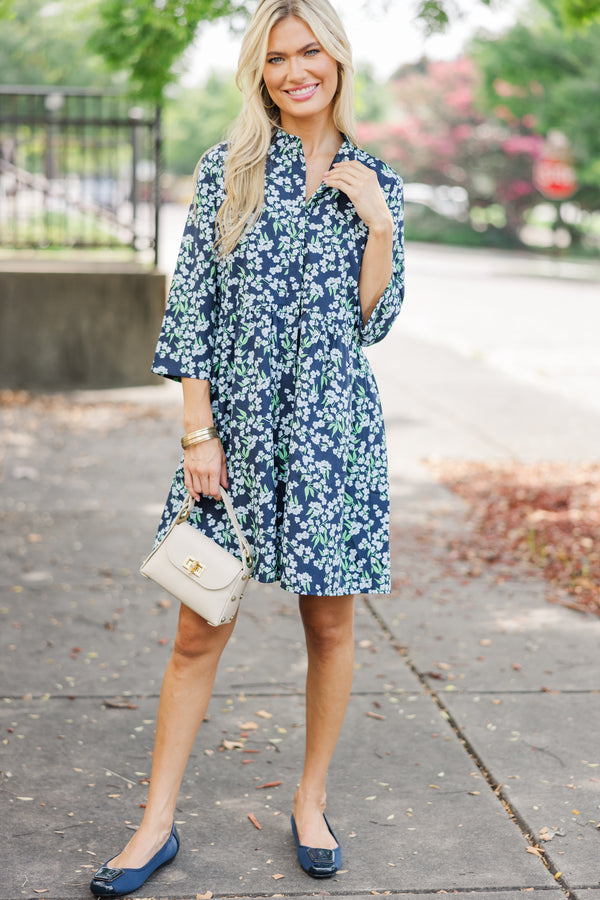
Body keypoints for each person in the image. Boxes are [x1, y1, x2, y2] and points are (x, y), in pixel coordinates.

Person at [90, 0, 404, 894]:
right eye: (277, 58)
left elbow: (370, 323)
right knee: (199, 627)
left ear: (338, 61)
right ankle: (154, 825)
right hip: (231, 435)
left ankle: (310, 799)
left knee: (329, 621)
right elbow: (191, 311)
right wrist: (198, 431)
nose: (295, 70)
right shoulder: (227, 169)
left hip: (331, 432)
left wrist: (377, 222)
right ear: (259, 72)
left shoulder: (375, 178)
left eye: (310, 52)